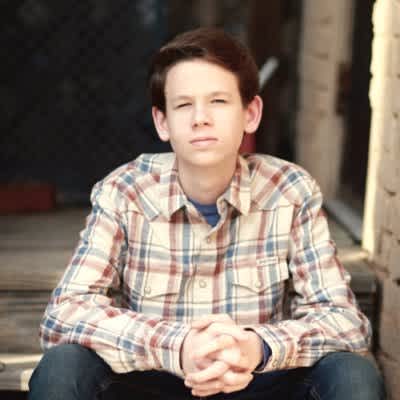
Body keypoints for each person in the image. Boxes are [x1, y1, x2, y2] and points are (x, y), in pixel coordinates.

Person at [28, 27, 384, 400]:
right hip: (153, 378)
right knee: (63, 366)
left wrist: (257, 346)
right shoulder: (124, 192)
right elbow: (64, 314)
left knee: (352, 373)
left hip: (256, 379)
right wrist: (179, 346)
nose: (200, 118)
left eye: (218, 101)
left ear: (251, 113)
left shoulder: (290, 191)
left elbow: (345, 322)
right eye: (183, 105)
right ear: (162, 122)